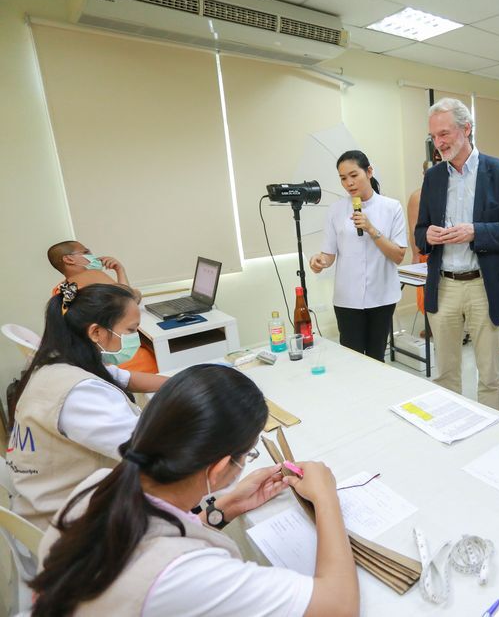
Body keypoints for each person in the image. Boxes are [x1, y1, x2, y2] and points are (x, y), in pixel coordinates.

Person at [29, 364, 358, 617]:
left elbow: (146, 534)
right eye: (248, 455)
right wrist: (326, 497)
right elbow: (338, 606)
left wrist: (225, 507)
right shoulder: (182, 574)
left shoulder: (97, 485)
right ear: (219, 467)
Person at [6, 282, 167, 529]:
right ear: (96, 332)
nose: (134, 337)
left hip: (43, 497)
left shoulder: (59, 360)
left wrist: (185, 381)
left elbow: (125, 378)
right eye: (131, 330)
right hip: (72, 524)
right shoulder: (81, 394)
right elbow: (149, 453)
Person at [414, 98, 499, 410]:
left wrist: (476, 232)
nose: (438, 143)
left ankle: (491, 434)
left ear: (467, 129)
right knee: (446, 374)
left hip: (483, 285)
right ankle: (451, 429)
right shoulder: (433, 177)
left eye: (444, 133)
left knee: (489, 376)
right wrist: (427, 235)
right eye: (433, 136)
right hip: (444, 285)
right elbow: (420, 231)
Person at [309, 150, 407, 362]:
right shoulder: (336, 210)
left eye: (354, 175)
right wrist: (320, 261)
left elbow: (399, 255)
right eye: (343, 178)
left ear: (369, 171)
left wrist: (371, 230)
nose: (349, 183)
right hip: (347, 298)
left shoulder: (391, 207)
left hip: (382, 296)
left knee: (376, 357)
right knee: (351, 359)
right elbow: (329, 254)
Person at [47, 240, 158, 373]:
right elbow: (129, 299)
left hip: (91, 358)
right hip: (116, 355)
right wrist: (120, 271)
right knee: (156, 355)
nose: (93, 256)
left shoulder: (62, 289)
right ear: (69, 259)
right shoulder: (92, 275)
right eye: (86, 252)